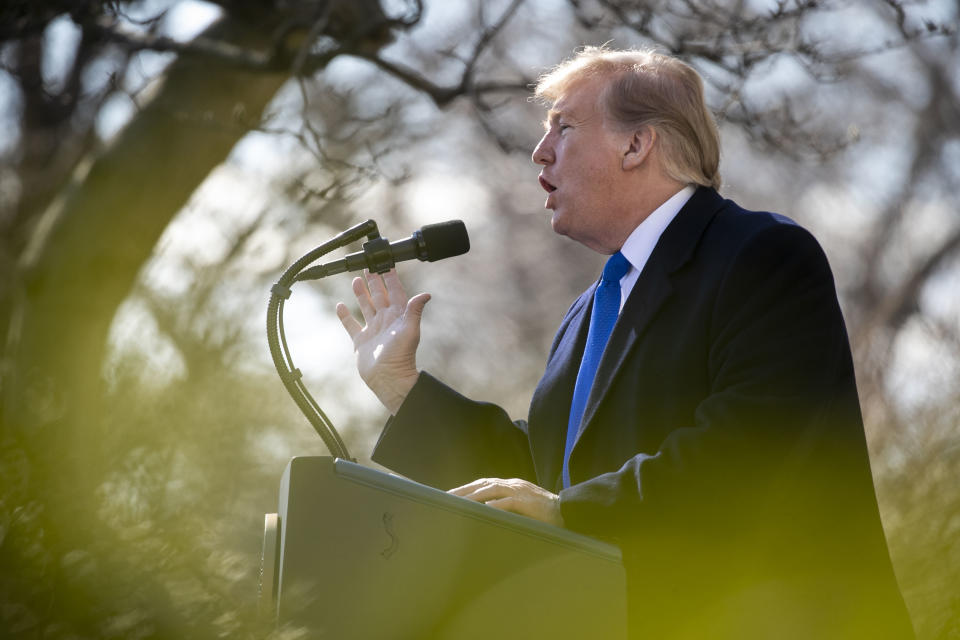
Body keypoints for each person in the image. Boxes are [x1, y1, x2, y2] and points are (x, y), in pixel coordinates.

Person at [336, 47, 914, 639]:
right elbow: (536, 488)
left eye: (564, 127)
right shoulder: (588, 312)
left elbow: (748, 453)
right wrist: (402, 389)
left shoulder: (761, 254)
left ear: (636, 146)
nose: (539, 151)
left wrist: (571, 511)